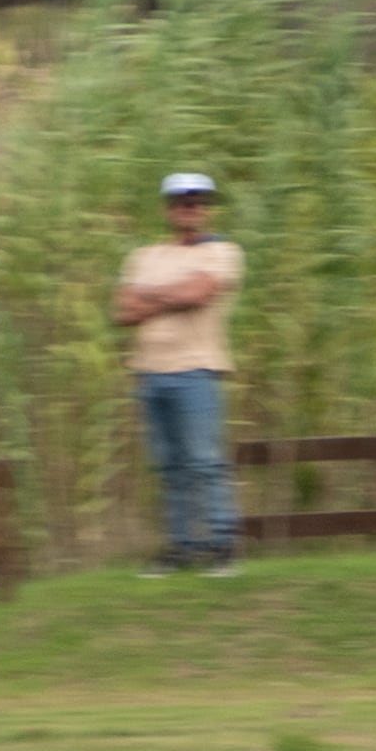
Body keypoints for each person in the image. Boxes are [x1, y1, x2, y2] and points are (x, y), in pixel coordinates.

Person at [114, 169, 245, 573]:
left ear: (207, 209)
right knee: (169, 466)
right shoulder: (144, 256)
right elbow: (123, 311)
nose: (190, 208)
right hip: (150, 372)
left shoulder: (221, 252)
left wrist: (149, 295)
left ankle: (221, 546)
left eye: (197, 201)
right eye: (182, 201)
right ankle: (182, 545)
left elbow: (197, 294)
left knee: (204, 462)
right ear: (168, 208)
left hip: (196, 370)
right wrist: (172, 294)